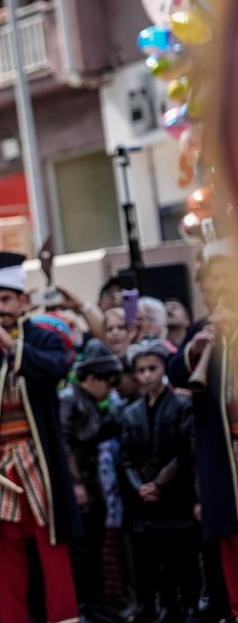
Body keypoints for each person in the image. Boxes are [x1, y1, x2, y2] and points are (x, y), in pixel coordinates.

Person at [0, 251, 81, 623]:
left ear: (23, 300)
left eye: (6, 299)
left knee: (54, 549)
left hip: (40, 465)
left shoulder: (45, 334)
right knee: (4, 554)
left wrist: (11, 345)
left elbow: (57, 369)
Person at [167, 244, 238, 619]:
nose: (220, 289)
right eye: (213, 283)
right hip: (224, 455)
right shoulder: (200, 330)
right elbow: (176, 374)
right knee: (228, 532)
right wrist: (196, 349)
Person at [121, 339, 200, 623]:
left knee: (184, 556)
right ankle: (160, 604)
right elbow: (126, 457)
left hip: (176, 496)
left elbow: (184, 452)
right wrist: (139, 487)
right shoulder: (130, 412)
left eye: (152, 368)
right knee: (150, 558)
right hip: (144, 501)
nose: (146, 375)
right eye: (140, 370)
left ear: (163, 368)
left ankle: (189, 603)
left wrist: (159, 485)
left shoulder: (181, 405)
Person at [59, 339, 123, 623]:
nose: (110, 389)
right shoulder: (70, 399)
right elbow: (63, 443)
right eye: (106, 382)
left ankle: (95, 607)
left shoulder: (90, 401)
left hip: (91, 480)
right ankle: (85, 608)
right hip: (80, 482)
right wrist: (75, 483)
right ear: (93, 378)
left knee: (94, 547)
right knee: (83, 551)